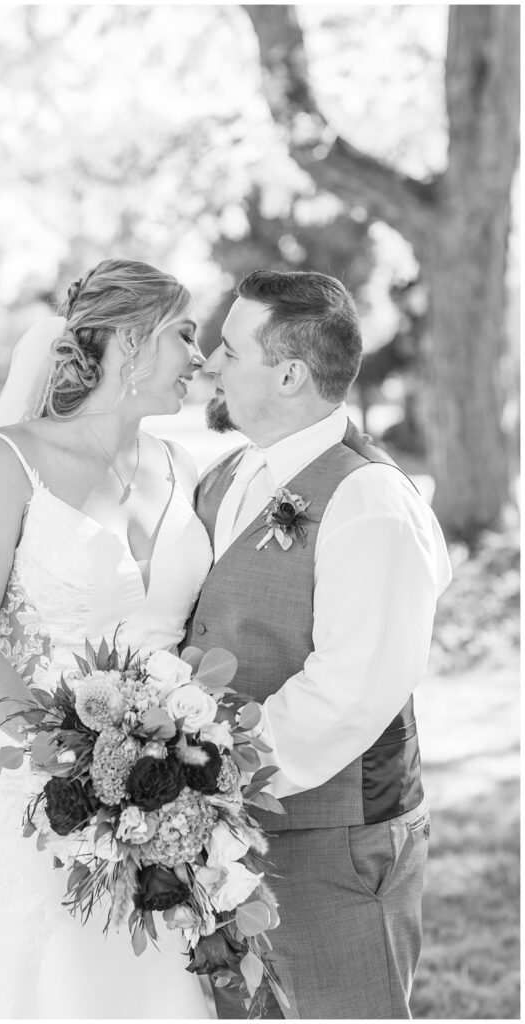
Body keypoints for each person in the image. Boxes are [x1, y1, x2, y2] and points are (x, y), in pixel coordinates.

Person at [0, 258, 213, 1019]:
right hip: (31, 784)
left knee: (149, 983)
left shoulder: (183, 466)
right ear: (133, 344)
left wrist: (165, 766)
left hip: (161, 788)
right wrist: (78, 768)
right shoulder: (9, 460)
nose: (200, 358)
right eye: (187, 334)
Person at [186, 270, 452, 1019]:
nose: (211, 363)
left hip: (337, 837)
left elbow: (354, 685)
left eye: (230, 350)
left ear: (290, 372)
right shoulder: (228, 475)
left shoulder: (370, 499)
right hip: (233, 833)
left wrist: (212, 772)